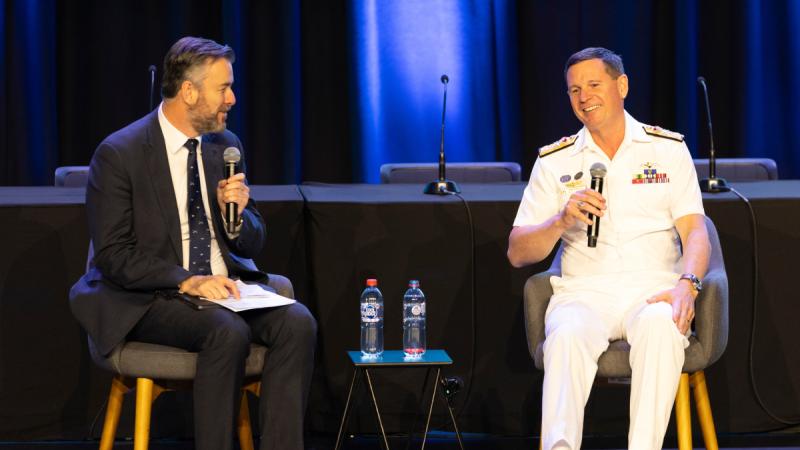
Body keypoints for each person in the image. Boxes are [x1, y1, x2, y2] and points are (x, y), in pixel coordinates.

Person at [69, 36, 317, 450]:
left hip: (224, 290)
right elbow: (113, 255)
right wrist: (187, 280)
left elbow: (251, 240)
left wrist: (233, 216)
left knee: (298, 322)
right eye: (224, 88)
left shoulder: (226, 146)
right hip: (154, 296)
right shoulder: (120, 153)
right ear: (189, 91)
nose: (233, 98)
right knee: (226, 331)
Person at [507, 47, 710, 450]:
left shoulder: (666, 149)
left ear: (622, 86)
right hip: (584, 292)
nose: (584, 98)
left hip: (653, 287)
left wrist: (688, 282)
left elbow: (697, 232)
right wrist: (560, 220)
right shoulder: (554, 161)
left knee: (662, 327)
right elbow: (517, 252)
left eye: (594, 85)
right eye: (574, 90)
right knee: (565, 336)